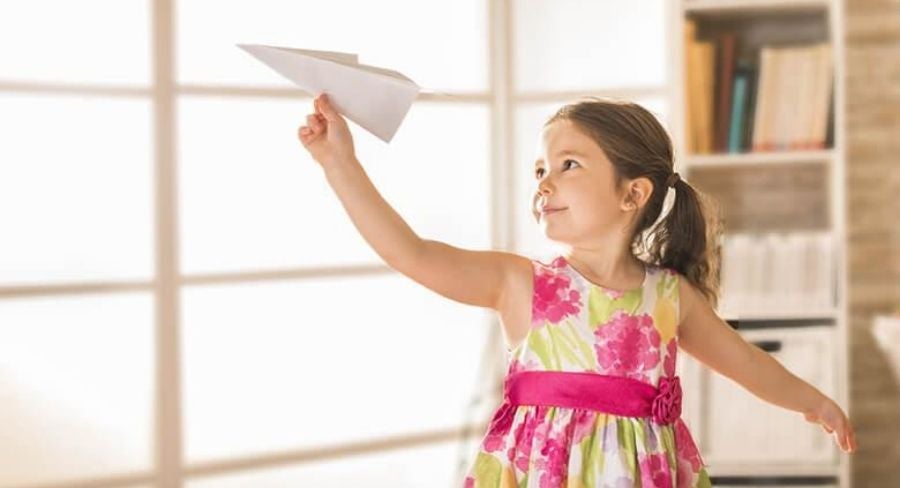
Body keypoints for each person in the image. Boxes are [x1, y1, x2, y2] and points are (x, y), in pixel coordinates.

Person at [297, 93, 858, 487]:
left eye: (567, 165)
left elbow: (745, 363)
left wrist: (813, 402)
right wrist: (337, 162)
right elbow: (410, 253)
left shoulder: (669, 296)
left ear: (632, 193)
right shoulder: (522, 284)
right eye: (540, 169)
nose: (544, 182)